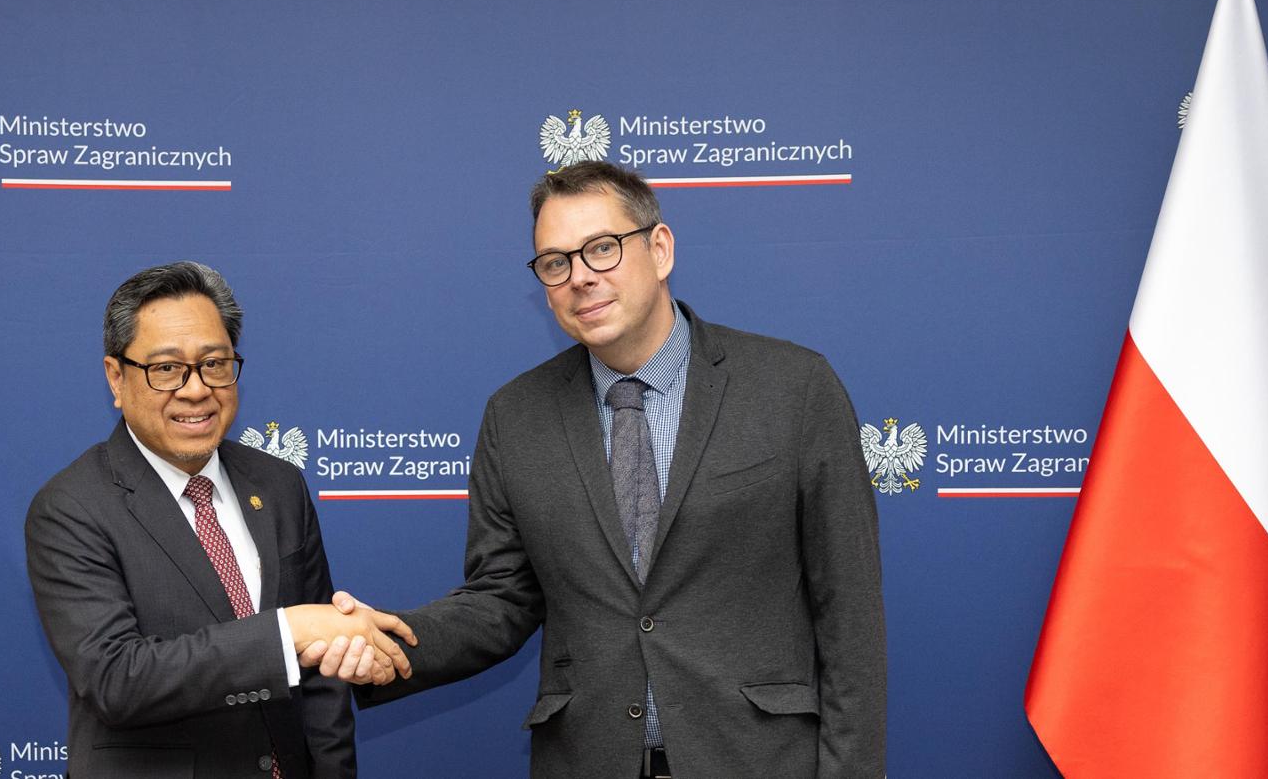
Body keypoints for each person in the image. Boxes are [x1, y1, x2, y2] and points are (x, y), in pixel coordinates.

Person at [345, 162, 887, 778]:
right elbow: (500, 600)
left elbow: (850, 613)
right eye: (555, 262)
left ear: (659, 249)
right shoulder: (514, 416)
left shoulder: (793, 388)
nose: (580, 277)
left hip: (758, 759)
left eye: (602, 249)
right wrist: (384, 643)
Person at [26, 261, 415, 778]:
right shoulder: (71, 507)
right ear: (116, 378)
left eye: (215, 363)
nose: (196, 389)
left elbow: (322, 680)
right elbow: (117, 679)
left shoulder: (279, 485)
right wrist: (287, 630)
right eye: (166, 368)